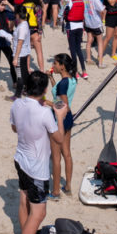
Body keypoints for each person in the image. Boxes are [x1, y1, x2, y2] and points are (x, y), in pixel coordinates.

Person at [10, 71, 66, 234]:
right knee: (39, 213)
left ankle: (26, 233)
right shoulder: (45, 113)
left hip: (20, 159)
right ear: (45, 90)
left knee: (24, 201)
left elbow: (14, 128)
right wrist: (60, 117)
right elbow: (59, 139)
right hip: (36, 168)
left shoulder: (17, 104)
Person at [48, 53, 76, 198]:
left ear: (62, 66)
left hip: (59, 120)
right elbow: (58, 93)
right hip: (68, 120)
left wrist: (45, 102)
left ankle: (55, 191)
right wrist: (51, 78)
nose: (53, 65)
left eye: (55, 63)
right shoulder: (71, 80)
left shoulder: (63, 84)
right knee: (67, 153)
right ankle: (68, 186)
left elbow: (63, 105)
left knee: (56, 157)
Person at [0, 0, 17, 92]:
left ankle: (15, 82)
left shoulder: (5, 12)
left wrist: (8, 4)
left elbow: (17, 13)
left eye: (4, 5)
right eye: (1, 5)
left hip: (5, 42)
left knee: (12, 61)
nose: (3, 7)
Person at [63, 0, 86, 79]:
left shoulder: (69, 2)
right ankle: (84, 71)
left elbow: (64, 13)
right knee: (78, 49)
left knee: (73, 50)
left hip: (71, 27)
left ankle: (75, 72)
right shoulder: (82, 1)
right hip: (80, 26)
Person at [82, 0, 105, 69]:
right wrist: (102, 19)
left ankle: (88, 59)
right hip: (96, 23)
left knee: (89, 40)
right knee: (100, 42)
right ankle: (100, 63)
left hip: (88, 22)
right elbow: (102, 10)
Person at [11, 4, 32, 98]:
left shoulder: (22, 27)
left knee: (20, 75)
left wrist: (15, 58)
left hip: (20, 54)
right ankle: (27, 90)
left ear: (18, 15)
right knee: (24, 73)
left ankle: (17, 95)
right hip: (24, 53)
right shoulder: (24, 24)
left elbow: (20, 43)